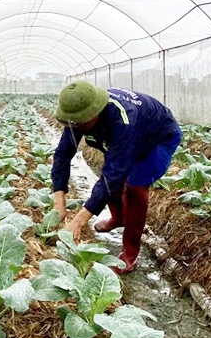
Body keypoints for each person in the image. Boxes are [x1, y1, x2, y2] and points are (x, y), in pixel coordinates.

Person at [51, 81, 182, 274]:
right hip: (129, 137)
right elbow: (63, 154)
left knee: (135, 187)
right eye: (74, 123)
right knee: (112, 178)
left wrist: (79, 221)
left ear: (94, 112)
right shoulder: (79, 117)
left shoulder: (122, 118)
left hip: (158, 138)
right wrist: (58, 202)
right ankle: (119, 218)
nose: (77, 126)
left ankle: (130, 253)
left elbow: (113, 175)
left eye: (81, 123)